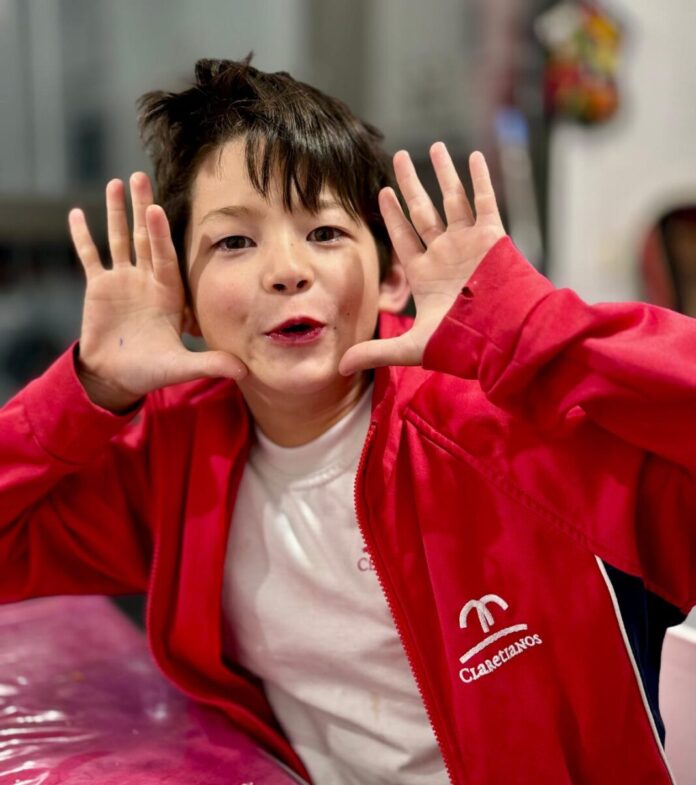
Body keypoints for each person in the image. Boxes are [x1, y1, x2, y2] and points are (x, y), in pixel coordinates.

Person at [1, 57, 694, 785]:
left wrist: (528, 329)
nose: (285, 269)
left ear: (391, 273)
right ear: (182, 300)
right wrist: (89, 386)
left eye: (325, 233)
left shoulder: (510, 433)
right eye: (234, 241)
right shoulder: (177, 460)